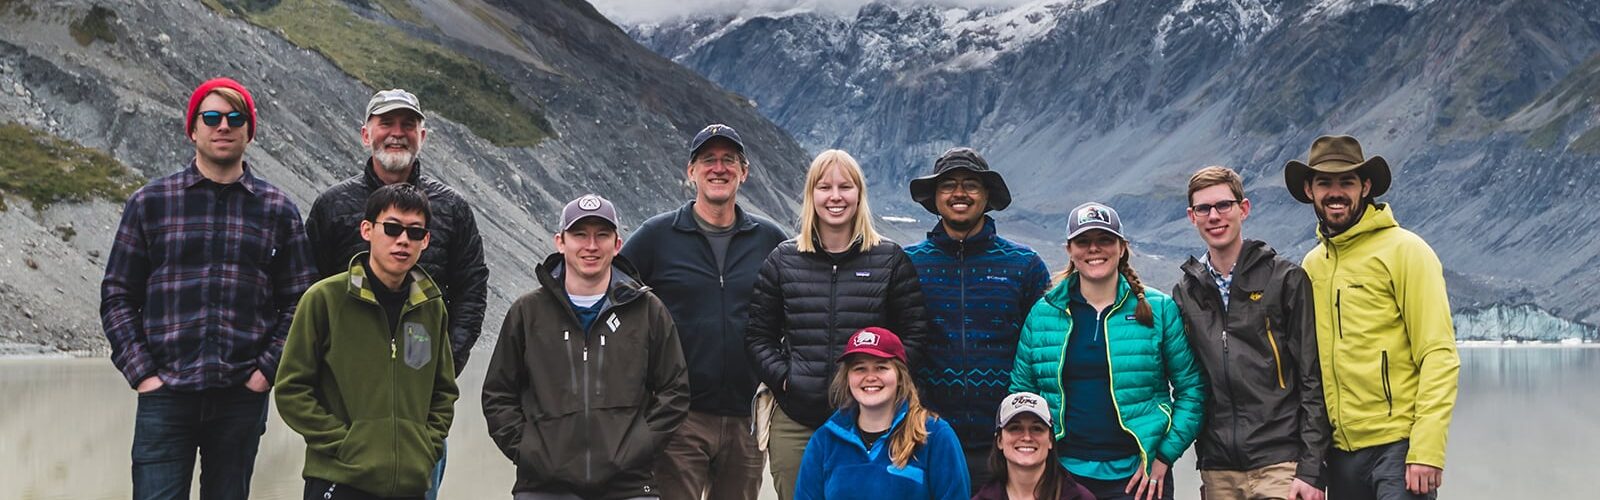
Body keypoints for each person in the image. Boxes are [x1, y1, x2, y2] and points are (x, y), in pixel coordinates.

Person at [100, 77, 318, 499]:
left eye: (236, 118)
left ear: (249, 132)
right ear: (193, 129)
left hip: (241, 395)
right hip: (165, 393)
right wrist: (143, 374)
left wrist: (264, 373)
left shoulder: (278, 210)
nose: (224, 126)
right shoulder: (151, 203)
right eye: (212, 117)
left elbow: (300, 301)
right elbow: (118, 296)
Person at [304, 89, 487, 498]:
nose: (397, 134)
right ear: (366, 134)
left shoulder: (453, 209)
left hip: (417, 410)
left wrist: (444, 366)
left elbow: (472, 288)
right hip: (346, 408)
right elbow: (305, 290)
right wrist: (328, 383)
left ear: (424, 135)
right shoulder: (332, 207)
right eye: (386, 123)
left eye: (408, 125)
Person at [746, 149, 931, 500]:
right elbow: (758, 335)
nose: (834, 197)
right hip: (796, 418)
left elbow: (915, 333)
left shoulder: (889, 260)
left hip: (872, 422)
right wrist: (786, 377)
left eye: (845, 187)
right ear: (810, 195)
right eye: (824, 187)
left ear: (859, 194)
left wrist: (885, 385)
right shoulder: (783, 260)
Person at [1284, 136, 1459, 499]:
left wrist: (1426, 448)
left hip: (1397, 448)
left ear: (1365, 186)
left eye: (1346, 182)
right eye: (1324, 183)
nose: (1336, 193)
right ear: (1309, 190)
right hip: (1340, 455)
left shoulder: (1407, 251)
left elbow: (1438, 354)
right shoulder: (1312, 265)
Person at [482, 194, 690, 500]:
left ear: (617, 244)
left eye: (602, 235)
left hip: (629, 485)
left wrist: (640, 445)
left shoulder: (648, 311)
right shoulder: (527, 313)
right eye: (579, 234)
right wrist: (528, 450)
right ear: (560, 241)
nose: (591, 246)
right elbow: (498, 394)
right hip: (543, 486)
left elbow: (675, 390)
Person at [621, 123, 786, 500]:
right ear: (690, 171)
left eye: (729, 160)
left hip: (747, 418)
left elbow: (799, 305)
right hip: (680, 418)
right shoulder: (656, 236)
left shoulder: (770, 240)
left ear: (744, 173)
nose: (719, 168)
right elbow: (612, 295)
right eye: (708, 160)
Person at [1009, 202, 1206, 500]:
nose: (1094, 249)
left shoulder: (1159, 309)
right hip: (1062, 476)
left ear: (1122, 247)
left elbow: (1192, 389)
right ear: (1069, 249)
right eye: (1083, 241)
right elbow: (1022, 393)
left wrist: (1164, 455)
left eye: (1104, 240)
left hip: (1140, 478)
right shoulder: (1043, 313)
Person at [276, 183, 458, 499]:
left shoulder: (431, 306)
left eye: (415, 232)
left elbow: (442, 391)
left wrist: (424, 448)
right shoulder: (325, 299)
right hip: (339, 479)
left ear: (425, 240)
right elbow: (292, 390)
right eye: (391, 228)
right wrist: (345, 445)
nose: (403, 240)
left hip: (409, 484)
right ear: (367, 230)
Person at [1171, 166, 1331, 500]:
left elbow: (1312, 378)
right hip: (1218, 468)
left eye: (1223, 205)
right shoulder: (1186, 293)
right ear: (1191, 216)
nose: (1214, 216)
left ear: (1243, 209)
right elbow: (1189, 380)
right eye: (1204, 208)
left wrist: (1312, 468)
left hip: (1281, 462)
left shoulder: (1286, 280)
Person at [905, 147, 1050, 487]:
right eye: (947, 185)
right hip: (928, 437)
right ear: (934, 198)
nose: (959, 193)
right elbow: (900, 350)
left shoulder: (1024, 266)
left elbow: (1044, 352)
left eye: (970, 184)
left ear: (987, 195)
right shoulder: (908, 265)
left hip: (1008, 440)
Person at [794, 327, 968, 499]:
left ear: (900, 376)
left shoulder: (935, 435)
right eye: (860, 368)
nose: (870, 377)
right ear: (847, 377)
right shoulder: (824, 440)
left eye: (881, 367)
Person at [971, 393, 1094, 500]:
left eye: (1037, 429)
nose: (1027, 437)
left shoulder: (1082, 497)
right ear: (1000, 441)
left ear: (1050, 440)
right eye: (1015, 428)